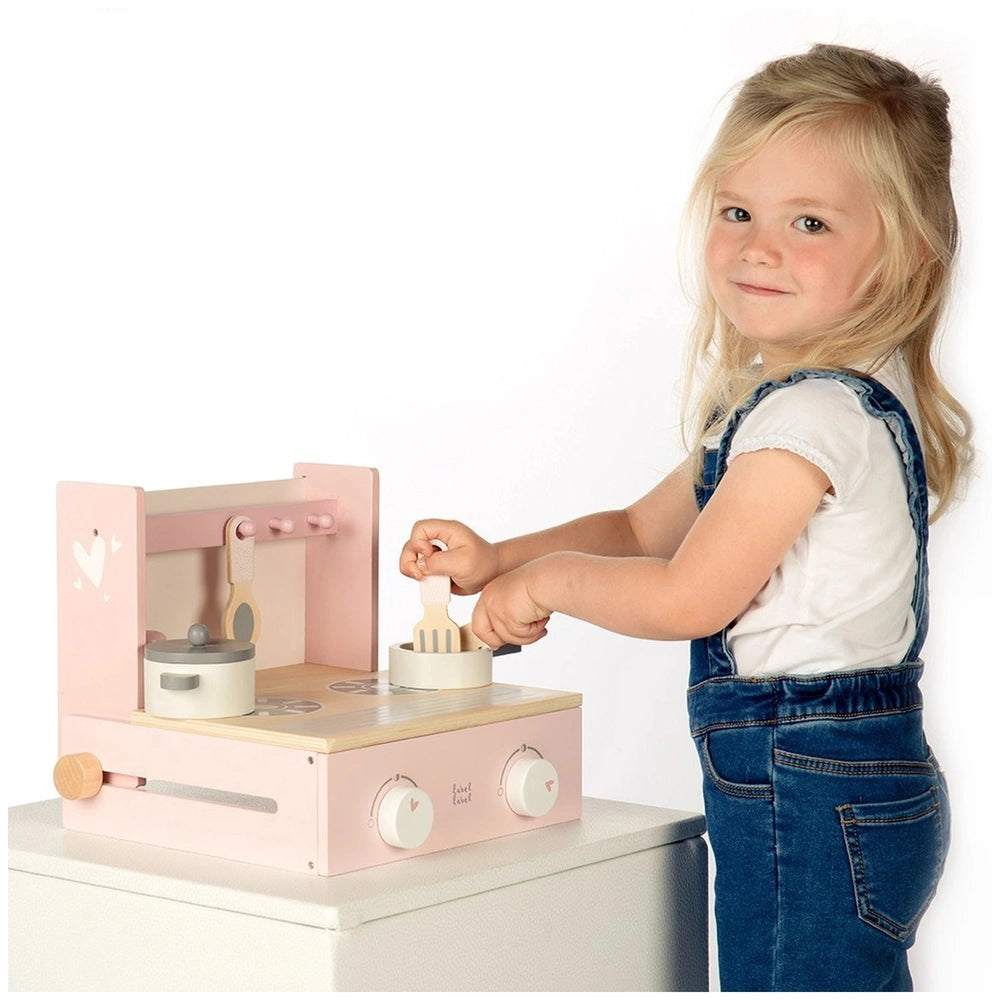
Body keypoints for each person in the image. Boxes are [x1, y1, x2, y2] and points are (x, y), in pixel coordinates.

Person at [399, 43, 972, 992]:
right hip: (825, 786)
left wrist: (544, 586)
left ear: (904, 251)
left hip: (811, 786)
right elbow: (637, 531)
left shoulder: (813, 420)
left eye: (811, 222)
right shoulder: (778, 403)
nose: (759, 246)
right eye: (739, 212)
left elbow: (689, 597)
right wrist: (502, 555)